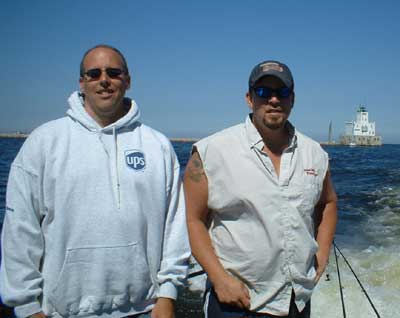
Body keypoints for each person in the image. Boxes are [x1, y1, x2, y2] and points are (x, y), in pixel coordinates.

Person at [0, 44, 190, 318]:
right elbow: (20, 229)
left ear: (127, 81)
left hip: (145, 308)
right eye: (94, 73)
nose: (104, 80)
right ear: (82, 82)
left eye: (114, 73)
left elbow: (174, 228)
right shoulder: (44, 142)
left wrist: (168, 294)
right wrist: (27, 305)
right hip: (60, 311)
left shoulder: (157, 145)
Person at [184, 60, 337, 317]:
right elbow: (192, 219)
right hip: (236, 301)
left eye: (282, 92)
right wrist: (219, 279)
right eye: (264, 92)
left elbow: (329, 203)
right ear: (249, 98)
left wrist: (322, 253)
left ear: (293, 99)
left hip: (295, 300)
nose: (274, 99)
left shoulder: (315, 154)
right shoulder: (211, 151)